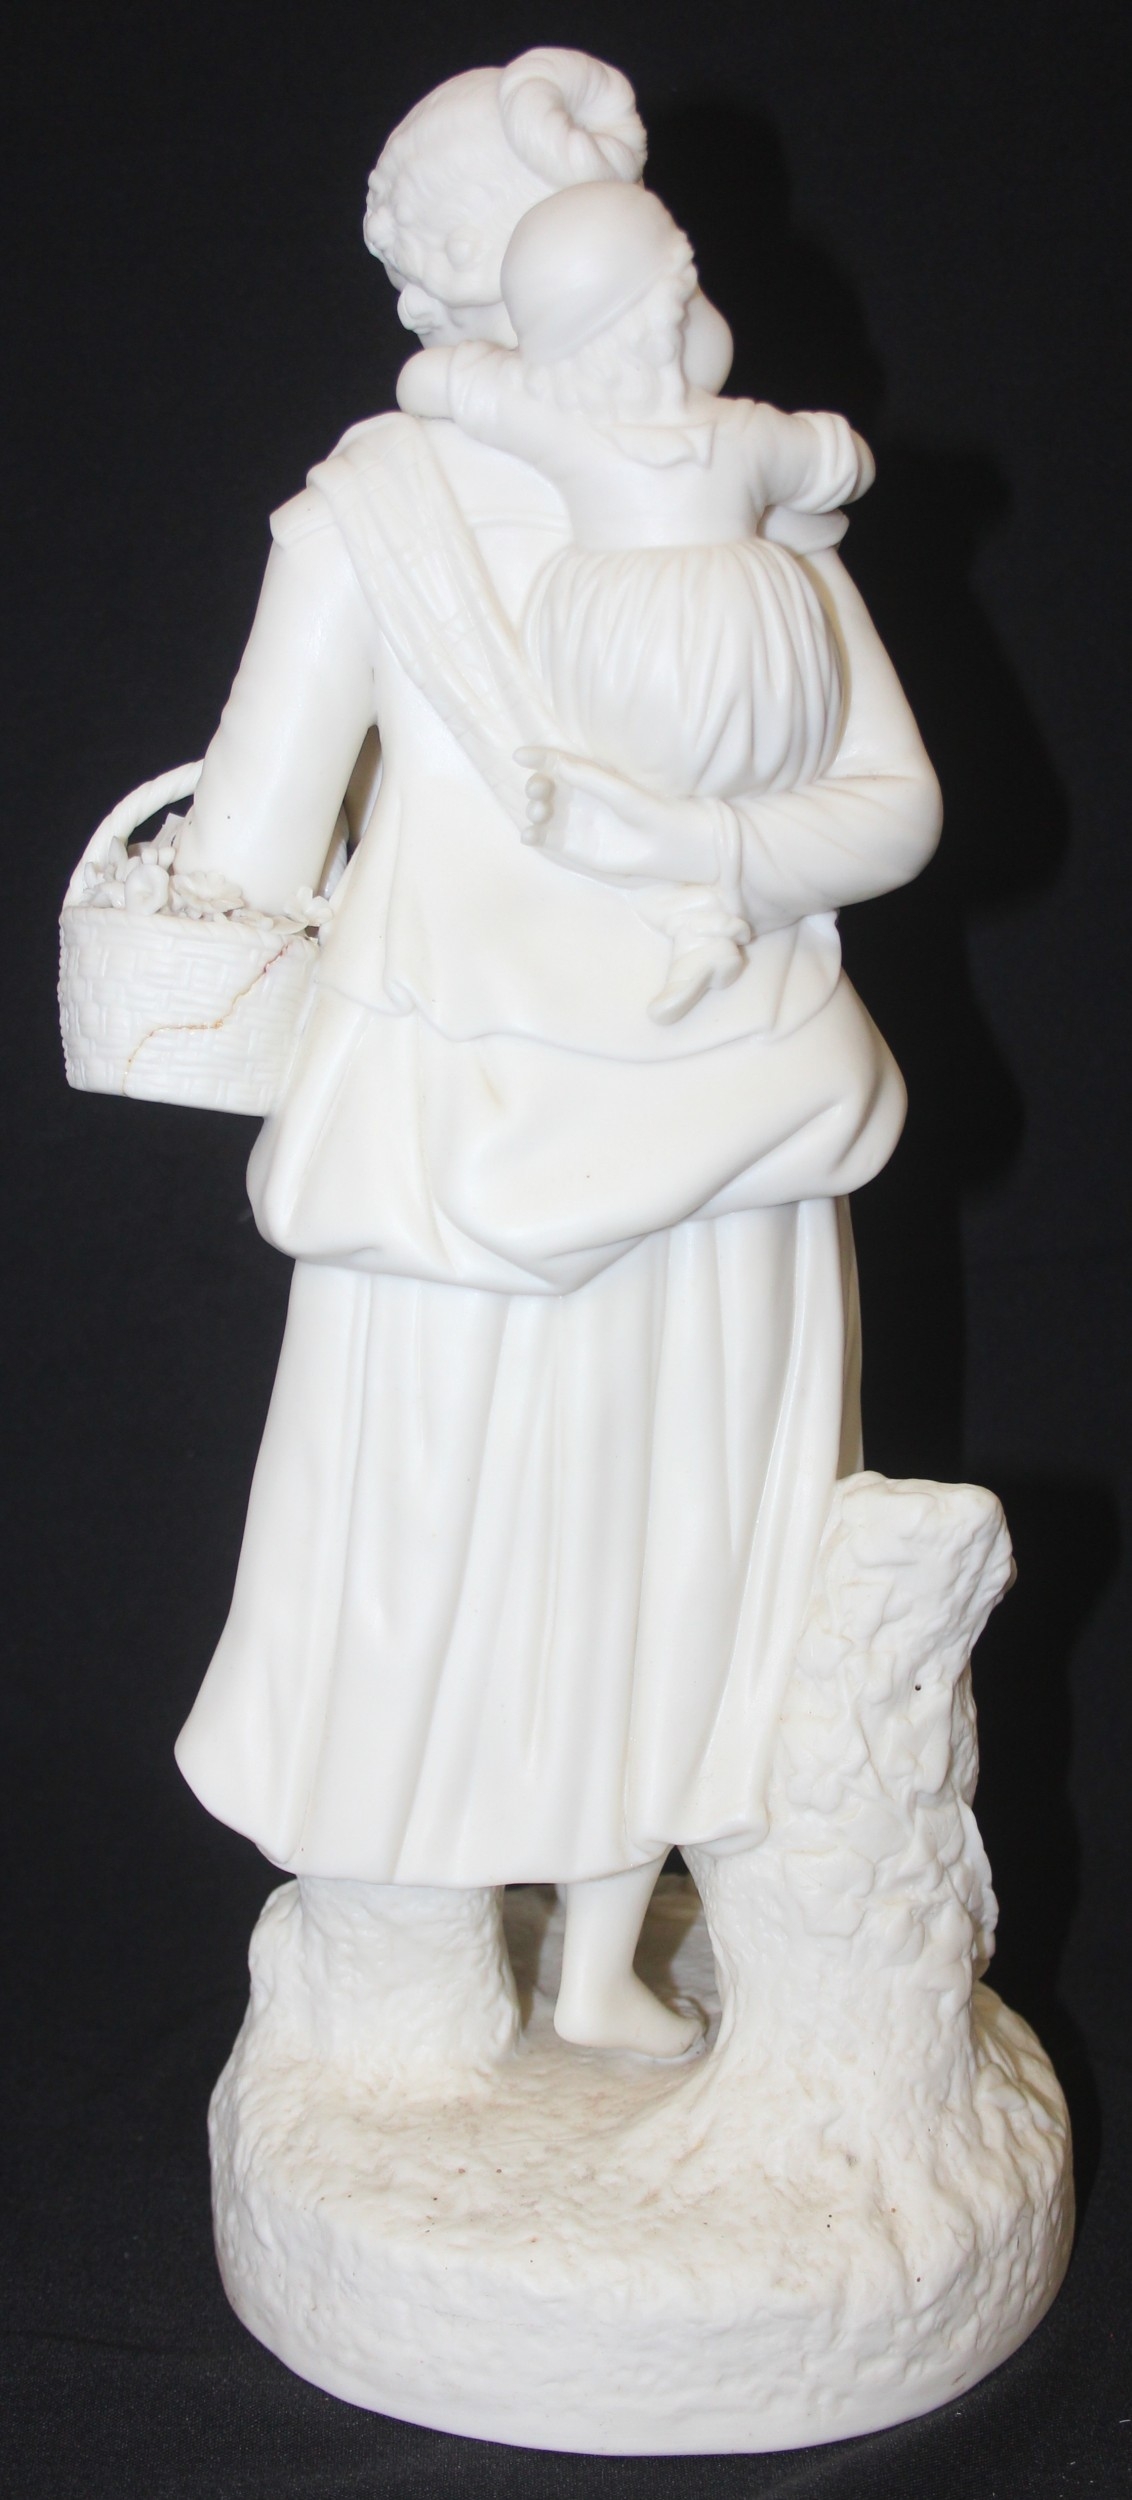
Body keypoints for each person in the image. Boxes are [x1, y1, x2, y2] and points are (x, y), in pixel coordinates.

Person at [171, 51, 942, 2062]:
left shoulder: (376, 511)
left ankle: (429, 1981)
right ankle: (580, 1966)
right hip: (732, 1111)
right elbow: (883, 802)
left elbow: (244, 851)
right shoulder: (755, 499)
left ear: (446, 297)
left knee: (446, 1561)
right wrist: (719, 859)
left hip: (472, 1139)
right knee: (684, 1552)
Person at [398, 178, 876, 1020]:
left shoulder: (557, 422)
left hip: (627, 637)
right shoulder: (746, 434)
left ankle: (693, 908)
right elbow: (841, 462)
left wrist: (510, 372)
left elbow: (424, 381)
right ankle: (697, 909)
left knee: (647, 781)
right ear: (672, 303)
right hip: (728, 634)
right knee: (688, 776)